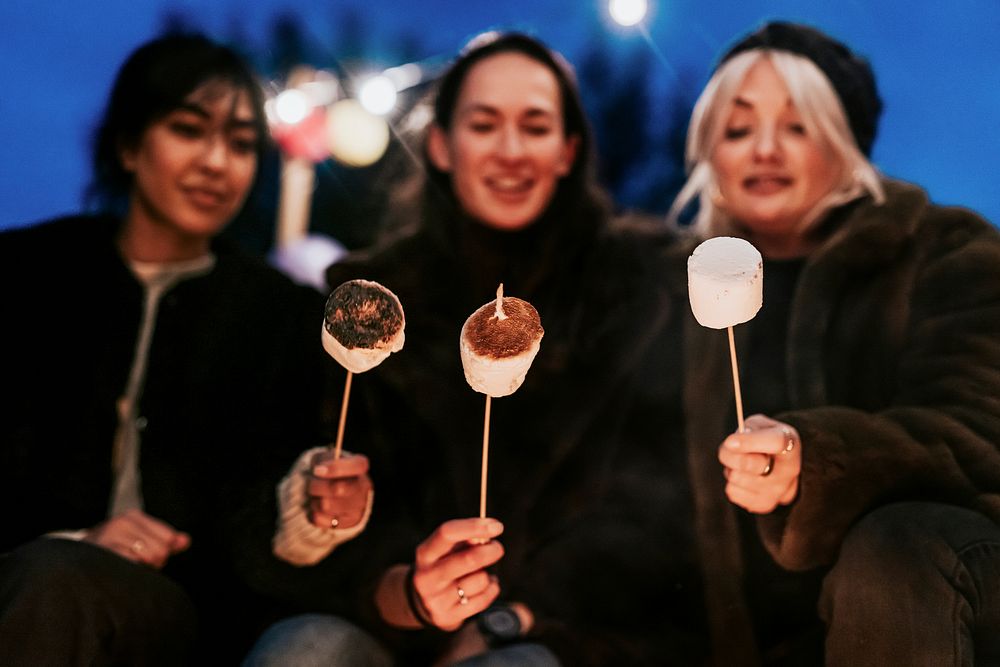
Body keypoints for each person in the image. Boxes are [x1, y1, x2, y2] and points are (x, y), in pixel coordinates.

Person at [251, 31, 696, 666]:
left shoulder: (643, 288)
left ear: (569, 150)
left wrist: (511, 617)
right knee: (305, 650)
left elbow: (655, 508)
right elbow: (323, 508)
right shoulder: (372, 297)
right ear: (440, 144)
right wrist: (405, 590)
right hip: (391, 626)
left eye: (535, 126)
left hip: (569, 633)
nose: (511, 150)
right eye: (484, 125)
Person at [0, 33, 358, 664]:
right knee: (53, 576)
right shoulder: (29, 276)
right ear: (130, 144)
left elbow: (261, 511)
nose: (218, 163)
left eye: (243, 143)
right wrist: (78, 538)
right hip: (25, 583)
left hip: (187, 615)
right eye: (189, 130)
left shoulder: (277, 315)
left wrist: (307, 512)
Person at [664, 21, 1000, 665]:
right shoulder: (668, 295)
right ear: (709, 153)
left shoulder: (947, 251)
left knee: (897, 542)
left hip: (946, 599)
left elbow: (981, 432)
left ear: (846, 142)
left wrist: (813, 459)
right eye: (737, 130)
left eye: (797, 126)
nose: (764, 149)